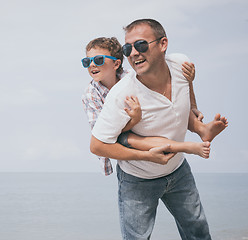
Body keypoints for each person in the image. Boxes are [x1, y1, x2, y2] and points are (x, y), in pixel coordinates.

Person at [90, 19, 228, 239]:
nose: (134, 53)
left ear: (163, 44)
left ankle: (200, 132)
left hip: (178, 171)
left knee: (199, 233)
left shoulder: (182, 64)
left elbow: (185, 89)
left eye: (141, 45)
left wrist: (194, 110)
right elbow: (97, 146)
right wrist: (146, 156)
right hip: (137, 180)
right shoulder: (121, 95)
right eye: (128, 48)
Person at [81, 37, 226, 175]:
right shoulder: (91, 95)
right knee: (129, 138)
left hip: (146, 121)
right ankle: (186, 147)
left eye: (98, 60)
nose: (92, 64)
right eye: (87, 61)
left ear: (117, 64)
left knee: (166, 100)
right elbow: (104, 134)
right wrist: (134, 120)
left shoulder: (132, 77)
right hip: (122, 135)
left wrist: (191, 91)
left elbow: (164, 90)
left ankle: (202, 129)